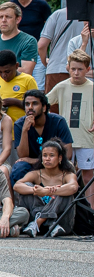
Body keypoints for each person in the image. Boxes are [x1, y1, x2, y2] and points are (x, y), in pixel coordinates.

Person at [47, 50, 94, 208]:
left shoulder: (92, 87)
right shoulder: (61, 86)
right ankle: (62, 209)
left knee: (88, 176)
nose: (76, 72)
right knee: (63, 175)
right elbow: (44, 103)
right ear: (68, 68)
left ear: (87, 69)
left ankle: (90, 212)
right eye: (73, 68)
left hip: (86, 137)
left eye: (80, 69)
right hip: (65, 139)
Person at [13, 139, 79, 238]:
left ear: (60, 158)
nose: (47, 159)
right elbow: (17, 186)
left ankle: (40, 221)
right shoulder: (36, 174)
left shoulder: (67, 175)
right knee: (26, 185)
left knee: (64, 191)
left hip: (60, 225)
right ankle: (46, 221)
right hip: (33, 225)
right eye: (45, 155)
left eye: (51, 155)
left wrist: (47, 191)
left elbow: (74, 187)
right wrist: (36, 191)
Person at [12, 89, 74, 184]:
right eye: (27, 104)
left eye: (35, 104)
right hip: (30, 166)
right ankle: (25, 198)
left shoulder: (58, 122)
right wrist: (25, 130)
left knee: (68, 167)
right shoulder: (20, 124)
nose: (30, 107)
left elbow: (68, 155)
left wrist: (34, 160)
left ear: (44, 108)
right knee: (19, 169)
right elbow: (23, 156)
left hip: (56, 164)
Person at [0, 2, 39, 78]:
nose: (3, 20)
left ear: (18, 19)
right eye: (1, 17)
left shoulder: (28, 41)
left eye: (8, 17)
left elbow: (27, 71)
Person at [38, 8, 84, 93]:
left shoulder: (58, 14)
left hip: (56, 68)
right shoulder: (88, 17)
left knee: (53, 104)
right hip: (83, 72)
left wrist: (46, 62)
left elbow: (41, 45)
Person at [0, 50, 39, 123]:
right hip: (2, 128)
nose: (3, 75)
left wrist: (15, 102)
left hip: (22, 127)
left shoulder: (28, 80)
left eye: (7, 72)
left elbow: (37, 107)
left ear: (16, 66)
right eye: (0, 72)